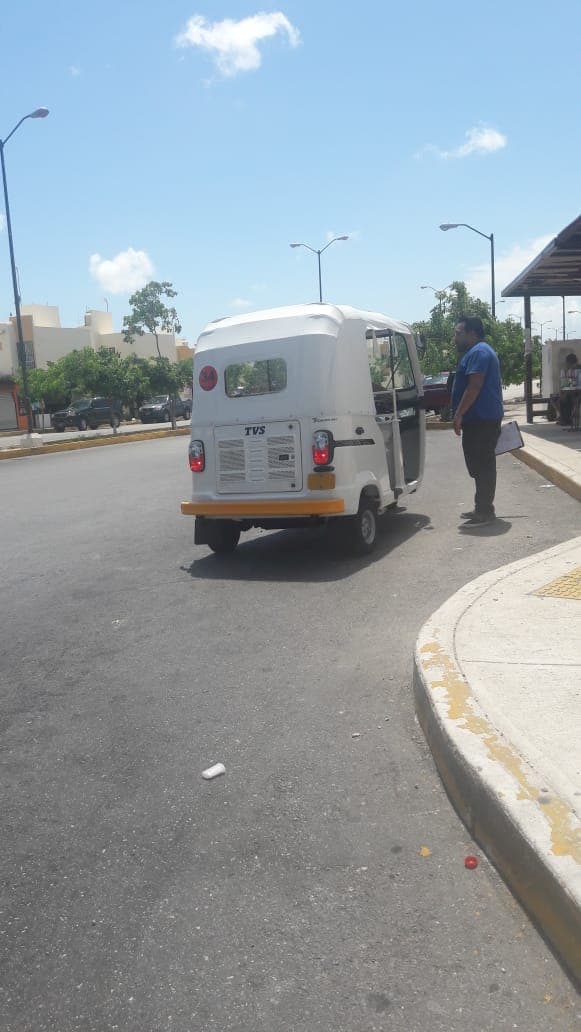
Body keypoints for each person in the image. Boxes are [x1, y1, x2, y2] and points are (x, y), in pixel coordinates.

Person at [451, 316, 504, 524]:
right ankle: (481, 507)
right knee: (479, 465)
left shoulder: (479, 352)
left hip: (482, 420)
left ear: (472, 334)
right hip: (479, 421)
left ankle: (485, 512)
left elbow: (474, 386)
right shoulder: (478, 352)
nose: (455, 338)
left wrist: (458, 414)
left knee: (482, 466)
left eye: (458, 333)